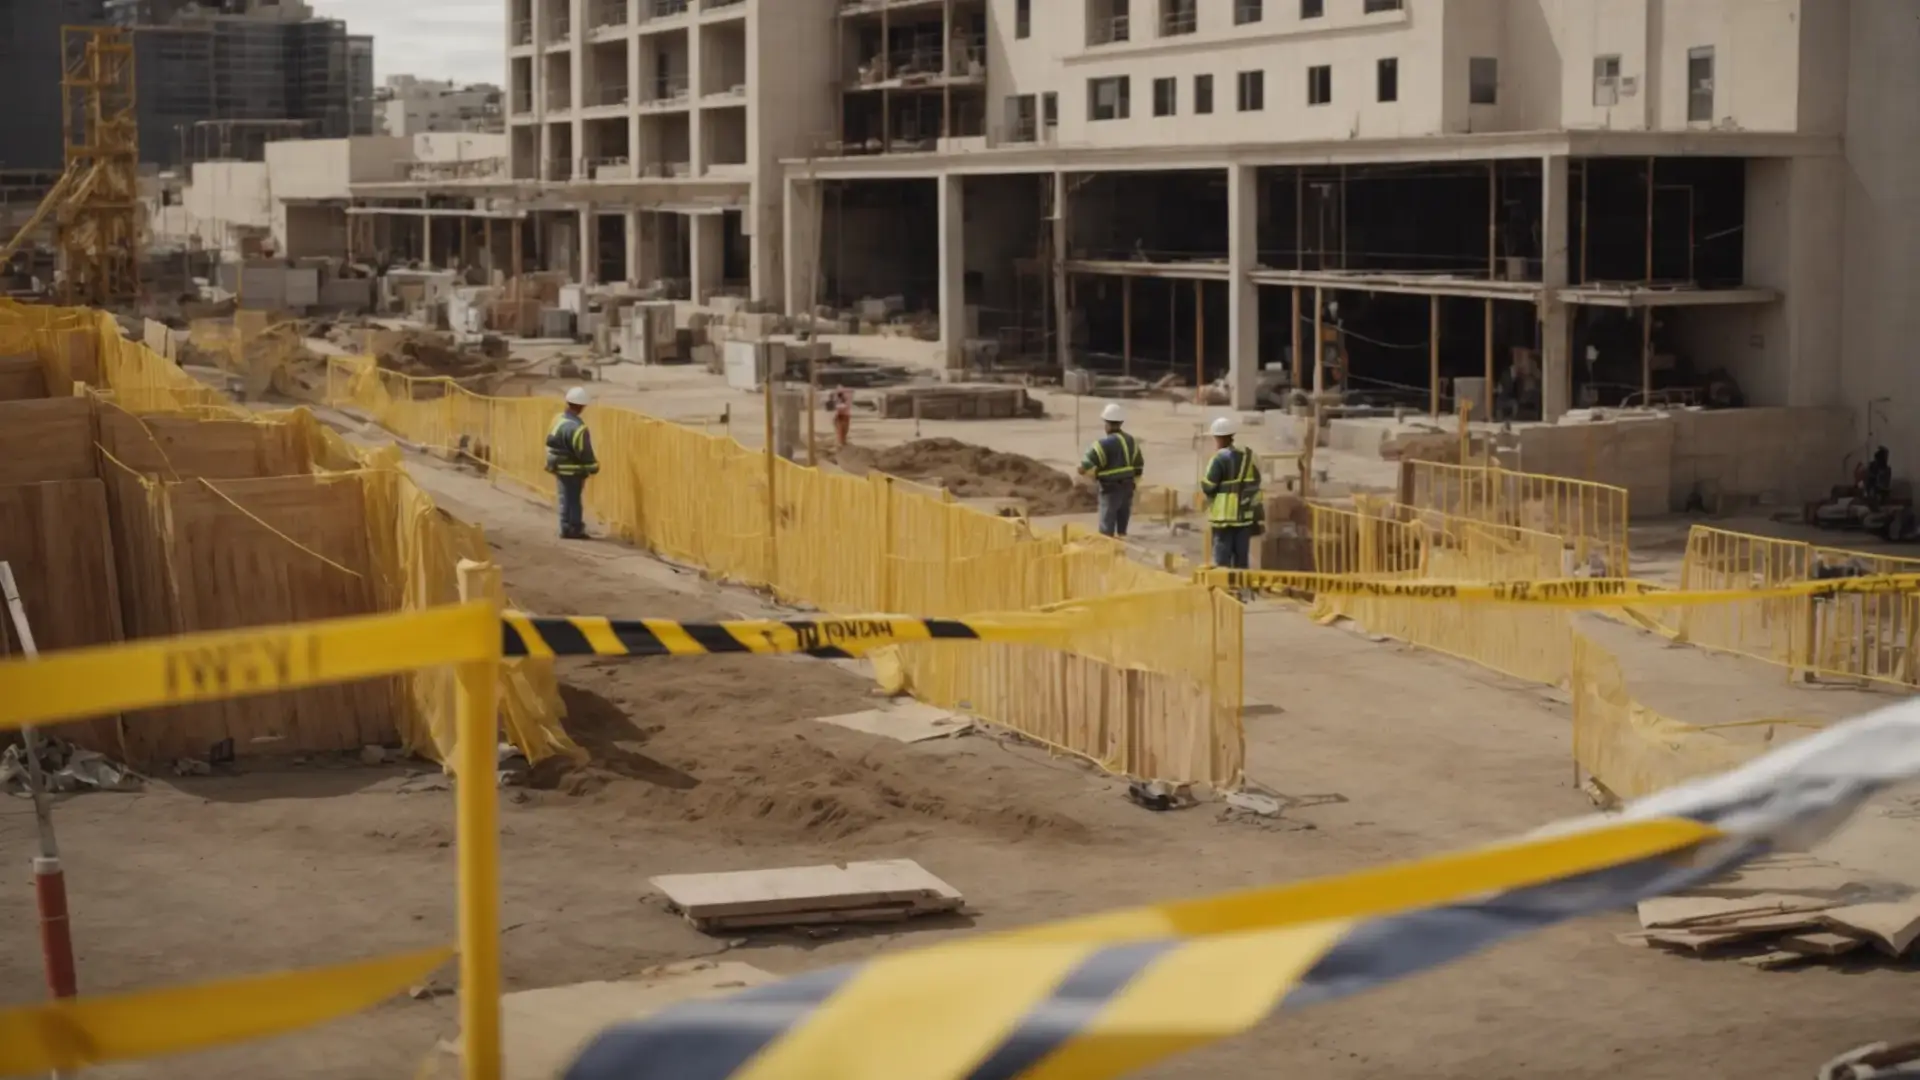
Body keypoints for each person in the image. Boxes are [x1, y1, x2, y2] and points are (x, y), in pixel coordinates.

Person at [1201, 416, 1262, 569]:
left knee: (1222, 558)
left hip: (1224, 518)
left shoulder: (1218, 459)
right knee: (1241, 559)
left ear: (1218, 438)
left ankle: (1224, 591)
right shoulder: (1248, 456)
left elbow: (1208, 485)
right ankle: (1241, 590)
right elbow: (1256, 480)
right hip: (1244, 515)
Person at [1078, 402, 1145, 537]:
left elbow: (1085, 464)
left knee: (1106, 530)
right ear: (1120, 422)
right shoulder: (1131, 441)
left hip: (1110, 489)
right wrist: (1133, 483)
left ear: (1107, 424)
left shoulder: (1102, 445)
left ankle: (1108, 553)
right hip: (1127, 488)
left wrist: (1087, 473)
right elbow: (1139, 465)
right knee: (1122, 528)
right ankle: (1122, 552)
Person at [545, 386, 599, 540]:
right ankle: (574, 529)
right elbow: (584, 452)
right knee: (574, 500)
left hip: (557, 465)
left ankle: (565, 527)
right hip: (572, 469)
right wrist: (593, 467)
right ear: (581, 407)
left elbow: (550, 441)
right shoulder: (578, 428)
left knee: (564, 498)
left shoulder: (558, 419)